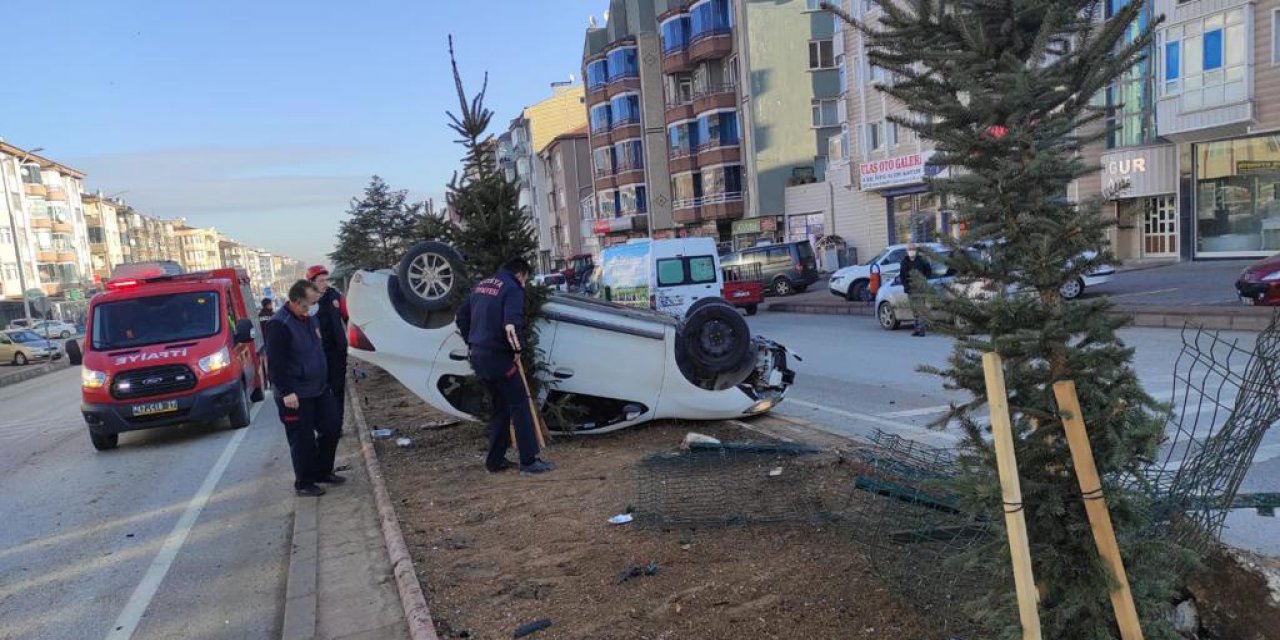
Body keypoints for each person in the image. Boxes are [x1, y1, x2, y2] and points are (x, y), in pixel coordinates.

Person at [455, 257, 554, 475]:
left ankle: (495, 461)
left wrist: (471, 343)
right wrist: (517, 352)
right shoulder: (512, 288)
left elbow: (461, 317)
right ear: (521, 273)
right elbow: (511, 326)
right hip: (500, 358)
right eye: (526, 279)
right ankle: (529, 461)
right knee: (520, 404)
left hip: (479, 356)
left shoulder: (482, 285)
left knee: (500, 408)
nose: (524, 284)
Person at [267, 280, 344, 497]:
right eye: (305, 305)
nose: (309, 309)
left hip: (318, 388)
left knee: (332, 427)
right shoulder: (279, 325)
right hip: (295, 393)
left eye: (311, 304)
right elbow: (276, 363)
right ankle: (304, 482)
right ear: (293, 301)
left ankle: (323, 471)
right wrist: (286, 391)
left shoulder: (309, 320)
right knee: (303, 440)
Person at [307, 265, 350, 430]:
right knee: (320, 391)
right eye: (321, 280)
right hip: (316, 354)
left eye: (326, 279)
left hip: (337, 351)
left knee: (337, 389)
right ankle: (322, 425)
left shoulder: (336, 297)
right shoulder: (308, 301)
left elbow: (347, 319)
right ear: (311, 282)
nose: (325, 283)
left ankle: (337, 425)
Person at [899, 244, 934, 337]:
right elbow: (902, 276)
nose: (911, 251)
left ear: (916, 250)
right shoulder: (904, 261)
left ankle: (921, 329)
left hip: (920, 288)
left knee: (920, 309)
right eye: (909, 249)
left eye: (913, 249)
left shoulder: (921, 260)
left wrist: (923, 280)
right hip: (910, 289)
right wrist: (906, 286)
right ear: (906, 251)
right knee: (914, 309)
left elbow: (929, 271)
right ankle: (916, 329)